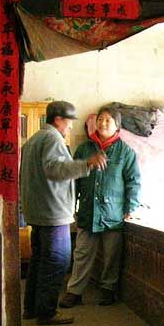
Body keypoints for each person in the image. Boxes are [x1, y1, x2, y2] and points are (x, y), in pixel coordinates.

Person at [20, 100, 106, 325]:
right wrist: (86, 164)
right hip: (52, 214)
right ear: (58, 120)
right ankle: (47, 313)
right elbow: (54, 169)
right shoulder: (52, 139)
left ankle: (31, 308)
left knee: (39, 262)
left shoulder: (33, 140)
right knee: (56, 262)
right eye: (69, 122)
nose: (70, 127)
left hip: (38, 212)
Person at [59, 105, 141, 308]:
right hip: (87, 210)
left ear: (117, 126)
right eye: (100, 120)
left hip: (113, 214)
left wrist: (131, 207)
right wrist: (71, 204)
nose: (103, 123)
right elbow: (74, 179)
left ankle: (107, 289)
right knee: (81, 253)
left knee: (111, 255)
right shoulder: (84, 149)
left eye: (108, 120)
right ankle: (74, 291)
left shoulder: (126, 152)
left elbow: (134, 182)